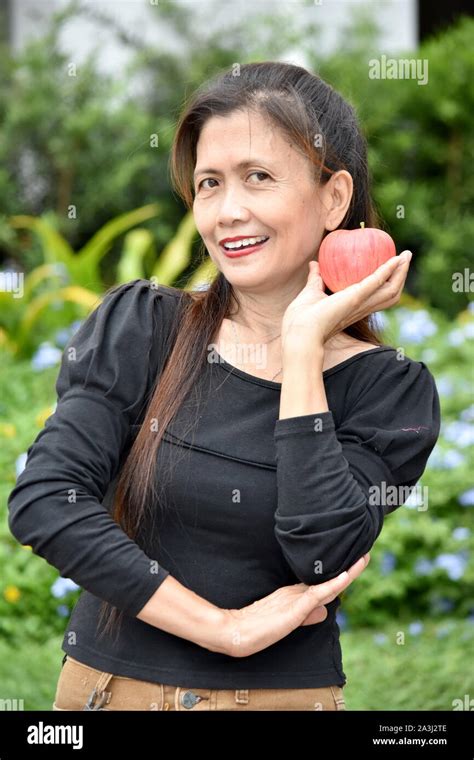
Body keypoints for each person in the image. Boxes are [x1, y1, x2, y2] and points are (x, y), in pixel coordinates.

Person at [7, 61, 440, 712]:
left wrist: (301, 355)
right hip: (104, 694)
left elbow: (319, 555)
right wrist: (224, 630)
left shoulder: (388, 392)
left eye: (258, 178)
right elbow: (45, 501)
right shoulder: (144, 328)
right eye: (210, 184)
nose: (228, 212)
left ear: (333, 198)